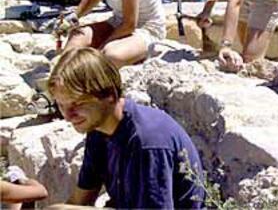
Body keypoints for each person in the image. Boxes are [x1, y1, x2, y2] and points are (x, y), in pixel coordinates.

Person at [47, 47, 205, 209]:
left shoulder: (146, 141)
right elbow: (81, 198)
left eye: (77, 103)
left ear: (109, 95)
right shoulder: (97, 129)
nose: (68, 115)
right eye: (61, 105)